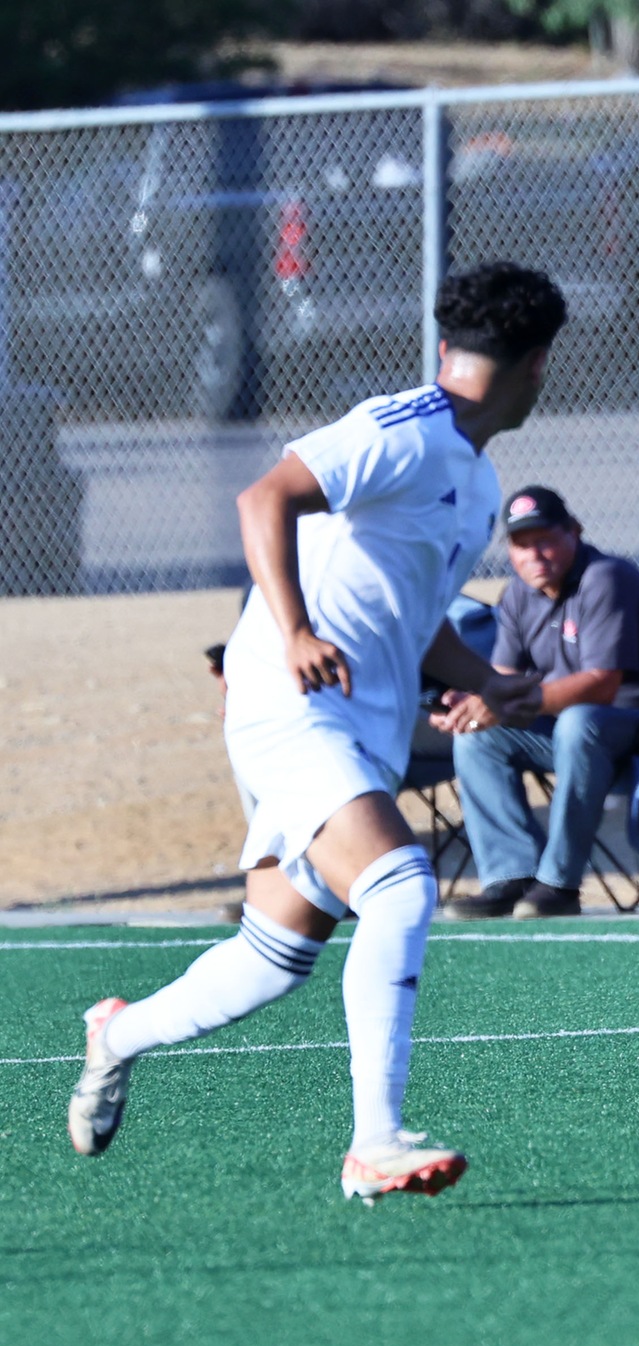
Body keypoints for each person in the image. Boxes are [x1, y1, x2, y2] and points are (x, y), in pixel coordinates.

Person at [65, 261, 563, 1201]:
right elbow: (266, 498)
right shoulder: (404, 428)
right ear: (540, 364)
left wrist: (491, 681)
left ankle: (115, 1035)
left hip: (358, 723)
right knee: (401, 886)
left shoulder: (479, 477)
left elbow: (415, 622)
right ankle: (374, 1141)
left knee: (273, 954)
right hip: (290, 701)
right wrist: (291, 628)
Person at [440, 486, 639, 920]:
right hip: (572, 733)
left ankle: (558, 884)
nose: (534, 554)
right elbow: (503, 680)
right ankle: (512, 876)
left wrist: (501, 704)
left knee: (578, 721)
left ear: (574, 531)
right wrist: (473, 703)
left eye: (545, 539)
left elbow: (602, 685)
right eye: (521, 544)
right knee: (479, 738)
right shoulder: (517, 594)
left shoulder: (605, 577)